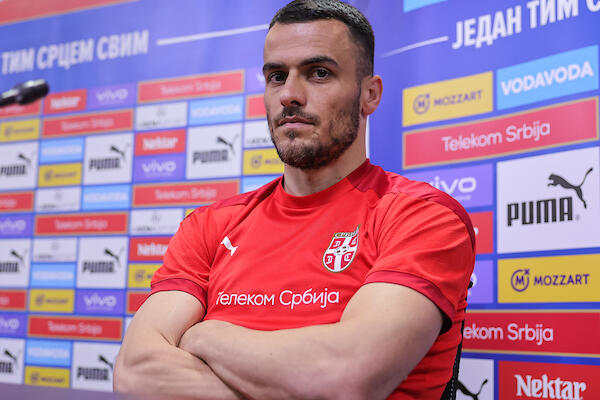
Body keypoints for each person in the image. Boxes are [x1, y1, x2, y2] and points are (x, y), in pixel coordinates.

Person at [113, 1, 475, 399]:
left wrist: (205, 336)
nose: (289, 94)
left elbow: (343, 378)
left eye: (319, 73)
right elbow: (135, 372)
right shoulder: (209, 225)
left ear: (369, 95)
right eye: (276, 76)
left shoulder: (422, 216)